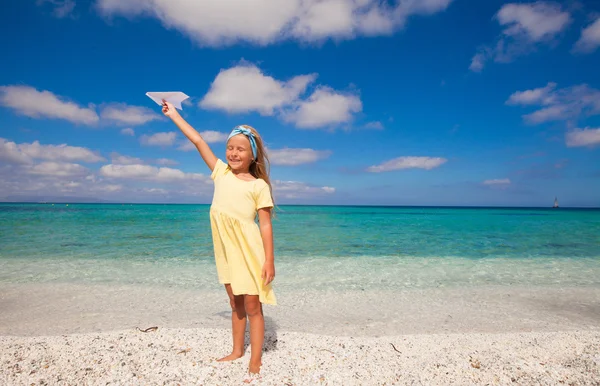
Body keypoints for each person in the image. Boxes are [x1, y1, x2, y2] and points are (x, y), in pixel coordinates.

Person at [161, 100, 276, 378]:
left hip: (250, 252)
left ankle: (256, 360)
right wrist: (173, 114)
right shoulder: (220, 173)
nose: (233, 153)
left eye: (240, 149)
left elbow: (265, 225)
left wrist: (269, 260)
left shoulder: (259, 186)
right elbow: (197, 140)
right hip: (225, 251)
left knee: (252, 305)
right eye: (230, 148)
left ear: (252, 156)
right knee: (235, 303)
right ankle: (237, 350)